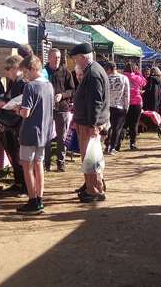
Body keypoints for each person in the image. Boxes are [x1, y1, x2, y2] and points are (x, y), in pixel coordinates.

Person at [70, 43, 110, 203]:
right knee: (92, 158)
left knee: (91, 159)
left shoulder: (93, 73)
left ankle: (94, 190)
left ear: (82, 57)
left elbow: (95, 102)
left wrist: (93, 125)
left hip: (89, 124)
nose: (74, 62)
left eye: (75, 58)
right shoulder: (94, 70)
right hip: (88, 122)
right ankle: (91, 185)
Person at [15, 55, 54, 214]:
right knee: (39, 165)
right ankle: (40, 198)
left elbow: (25, 113)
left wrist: (17, 109)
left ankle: (32, 200)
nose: (25, 75)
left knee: (27, 166)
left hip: (30, 132)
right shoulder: (49, 86)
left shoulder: (30, 87)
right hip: (44, 132)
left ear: (32, 69)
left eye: (25, 71)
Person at [0, 54, 26, 194]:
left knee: (19, 157)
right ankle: (19, 183)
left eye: (7, 68)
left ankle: (24, 186)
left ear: (15, 68)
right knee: (15, 156)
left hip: (18, 125)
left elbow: (19, 104)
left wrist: (4, 105)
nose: (6, 72)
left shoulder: (22, 83)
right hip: (15, 125)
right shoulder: (16, 83)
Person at [44, 48, 76, 172]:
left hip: (62, 108)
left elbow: (72, 90)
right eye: (55, 57)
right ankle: (46, 164)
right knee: (46, 137)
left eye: (59, 57)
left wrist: (62, 95)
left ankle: (60, 163)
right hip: (47, 109)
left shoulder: (66, 72)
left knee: (61, 137)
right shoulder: (44, 72)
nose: (57, 59)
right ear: (49, 58)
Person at [104, 62, 130, 155]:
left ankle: (107, 146)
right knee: (117, 128)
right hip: (120, 107)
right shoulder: (124, 78)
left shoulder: (105, 79)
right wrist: (127, 107)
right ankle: (112, 148)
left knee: (108, 127)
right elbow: (127, 94)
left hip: (107, 107)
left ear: (109, 69)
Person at [122, 62, 146, 151]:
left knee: (124, 124)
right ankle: (132, 143)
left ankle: (118, 142)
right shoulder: (136, 77)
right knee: (134, 124)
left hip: (125, 102)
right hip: (136, 102)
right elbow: (144, 83)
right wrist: (138, 72)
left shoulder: (122, 77)